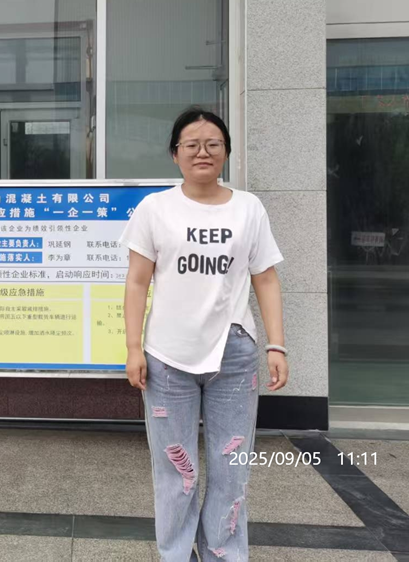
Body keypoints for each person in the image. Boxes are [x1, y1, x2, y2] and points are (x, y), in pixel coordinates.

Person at [120, 107, 288, 561]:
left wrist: (276, 344)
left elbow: (265, 278)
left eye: (213, 144)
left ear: (226, 152)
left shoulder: (248, 208)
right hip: (166, 357)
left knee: (231, 468)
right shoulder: (155, 209)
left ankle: (223, 553)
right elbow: (136, 282)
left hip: (233, 355)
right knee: (177, 471)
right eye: (191, 145)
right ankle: (176, 555)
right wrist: (133, 348)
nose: (203, 152)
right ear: (175, 154)